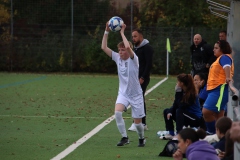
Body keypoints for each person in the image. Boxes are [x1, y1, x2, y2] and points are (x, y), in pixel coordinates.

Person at [101, 22, 145, 147]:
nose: (120, 52)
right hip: (123, 93)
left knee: (137, 124)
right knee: (118, 113)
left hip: (136, 94)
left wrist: (122, 32)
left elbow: (128, 47)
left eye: (123, 50)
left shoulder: (134, 59)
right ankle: (124, 137)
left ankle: (141, 138)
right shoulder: (117, 58)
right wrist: (106, 31)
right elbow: (104, 47)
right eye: (119, 50)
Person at [202, 40, 234, 135]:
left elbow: (227, 66)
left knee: (206, 112)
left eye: (216, 48)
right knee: (218, 115)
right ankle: (221, 136)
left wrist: (228, 77)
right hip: (215, 89)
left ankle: (212, 132)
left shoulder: (224, 57)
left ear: (223, 49)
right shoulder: (219, 58)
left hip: (219, 89)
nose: (213, 50)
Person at [162, 73, 203, 139]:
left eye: (178, 81)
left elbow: (181, 106)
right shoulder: (181, 91)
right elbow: (175, 104)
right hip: (185, 115)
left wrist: (178, 93)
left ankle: (179, 134)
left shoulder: (192, 94)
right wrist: (169, 112)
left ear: (182, 83)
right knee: (166, 111)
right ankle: (171, 133)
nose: (177, 83)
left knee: (179, 111)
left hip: (195, 119)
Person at [128, 28, 153, 131]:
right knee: (136, 99)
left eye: (135, 36)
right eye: (132, 36)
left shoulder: (147, 48)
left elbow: (148, 64)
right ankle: (139, 122)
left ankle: (141, 123)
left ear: (141, 37)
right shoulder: (136, 49)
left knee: (139, 99)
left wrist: (143, 77)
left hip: (142, 79)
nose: (133, 38)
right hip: (135, 78)